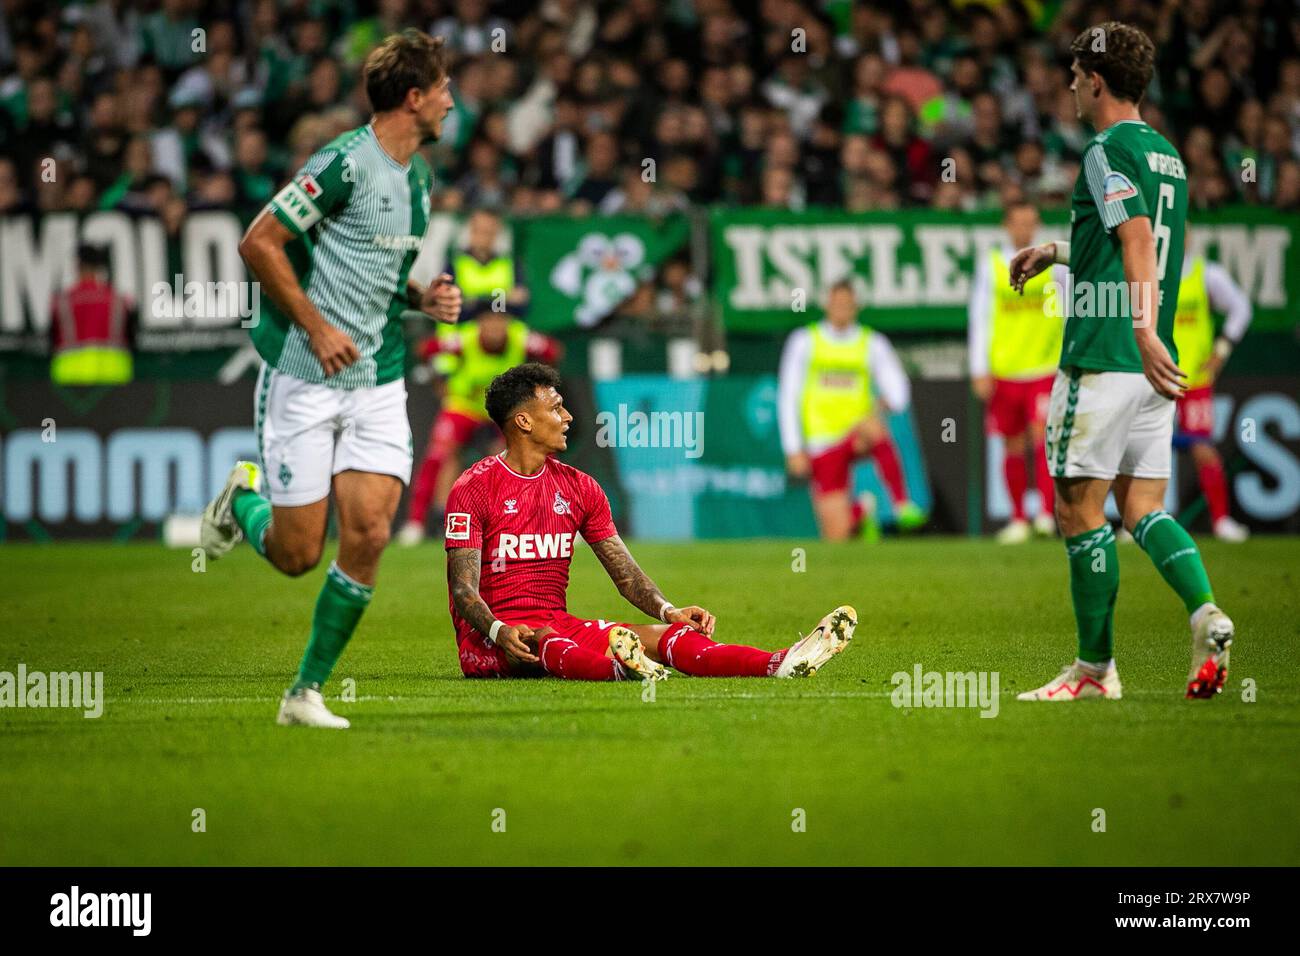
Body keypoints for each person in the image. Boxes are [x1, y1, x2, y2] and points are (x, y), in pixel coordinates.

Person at [198, 30, 463, 728]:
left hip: (377, 379)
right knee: (296, 556)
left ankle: (304, 694)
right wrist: (316, 328)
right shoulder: (344, 163)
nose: (450, 100)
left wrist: (419, 299)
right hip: (305, 377)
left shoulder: (419, 179)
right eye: (441, 89)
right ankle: (240, 502)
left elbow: (369, 270)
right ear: (414, 98)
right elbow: (259, 241)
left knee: (371, 532)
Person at [1008, 21, 1233, 702]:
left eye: (1076, 74)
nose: (1071, 85)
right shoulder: (1166, 155)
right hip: (1151, 370)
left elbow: (1135, 236)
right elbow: (1142, 242)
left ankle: (1094, 671)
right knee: (1144, 507)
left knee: (1079, 513)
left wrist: (1137, 327)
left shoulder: (1104, 151)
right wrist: (1056, 252)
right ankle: (1206, 613)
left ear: (1097, 80)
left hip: (1107, 354)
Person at [444, 363, 856, 681]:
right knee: (545, 639)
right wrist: (499, 631)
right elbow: (463, 588)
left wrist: (667, 610)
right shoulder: (474, 488)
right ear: (524, 422)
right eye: (556, 408)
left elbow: (624, 574)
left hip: (557, 624)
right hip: (492, 640)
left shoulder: (580, 488)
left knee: (666, 638)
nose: (568, 416)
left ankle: (777, 663)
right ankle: (621, 670)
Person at [399, 304, 562, 544]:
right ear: (479, 323)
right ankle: (417, 523)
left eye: (500, 321)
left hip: (504, 412)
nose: (494, 327)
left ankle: (557, 518)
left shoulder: (521, 337)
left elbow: (553, 352)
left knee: (539, 450)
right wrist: (440, 379)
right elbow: (425, 349)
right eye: (488, 321)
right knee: (439, 455)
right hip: (465, 406)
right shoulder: (463, 339)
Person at [777, 279, 925, 541]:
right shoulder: (805, 341)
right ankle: (861, 511)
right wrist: (793, 449)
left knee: (874, 426)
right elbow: (788, 396)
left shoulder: (872, 342)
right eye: (837, 303)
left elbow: (899, 390)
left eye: (848, 304)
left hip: (856, 435)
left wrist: (883, 405)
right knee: (837, 535)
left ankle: (901, 503)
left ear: (856, 307)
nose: (842, 309)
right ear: (826, 305)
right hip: (820, 442)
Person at [968, 201, 1065, 542]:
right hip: (1006, 370)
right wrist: (980, 368)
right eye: (1018, 222)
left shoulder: (1053, 264)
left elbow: (1072, 308)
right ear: (1007, 225)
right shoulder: (992, 265)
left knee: (1042, 440)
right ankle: (1019, 518)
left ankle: (1043, 515)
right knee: (1012, 445)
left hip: (1042, 367)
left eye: (1030, 222)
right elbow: (980, 317)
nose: (1025, 229)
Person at [1170, 242, 1254, 541]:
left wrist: (1223, 347)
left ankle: (1220, 520)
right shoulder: (1146, 272)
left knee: (1202, 449)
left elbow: (1241, 308)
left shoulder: (1206, 274)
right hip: (1154, 378)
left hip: (1194, 379)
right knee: (1140, 451)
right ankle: (1136, 520)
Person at [48, 244, 135, 385]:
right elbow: (131, 337)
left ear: (77, 266)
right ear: (99, 268)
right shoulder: (119, 300)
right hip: (114, 377)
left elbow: (52, 339)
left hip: (70, 378)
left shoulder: (63, 302)